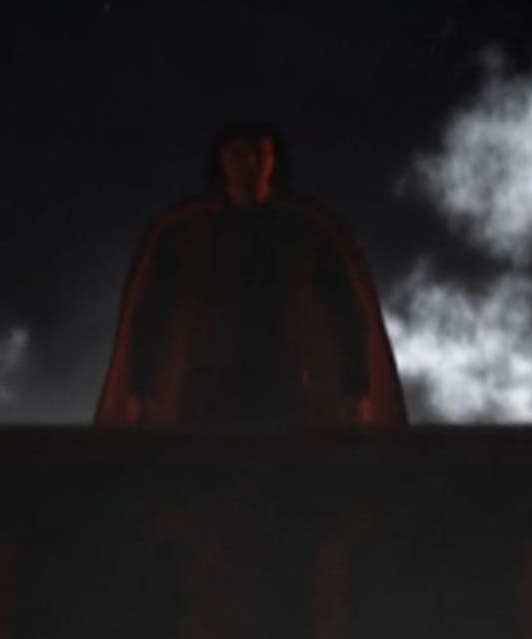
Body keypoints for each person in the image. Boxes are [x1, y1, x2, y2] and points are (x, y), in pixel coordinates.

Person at [94, 125, 407, 428]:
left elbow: (346, 313)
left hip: (281, 385)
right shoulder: (185, 232)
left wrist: (355, 388)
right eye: (239, 153)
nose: (251, 164)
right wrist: (140, 388)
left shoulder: (307, 231)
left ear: (273, 159)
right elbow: (151, 313)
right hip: (208, 390)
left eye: (260, 153)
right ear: (223, 160)